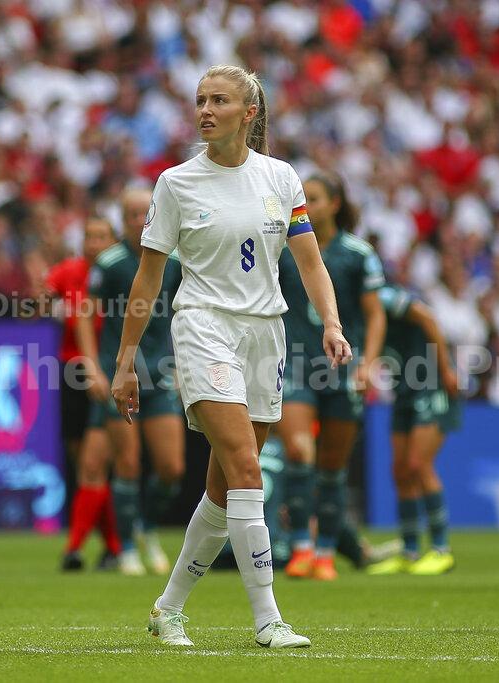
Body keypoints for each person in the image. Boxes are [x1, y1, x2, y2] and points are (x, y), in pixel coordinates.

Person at [111, 65, 351, 649]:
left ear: (250, 113)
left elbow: (310, 262)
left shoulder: (282, 178)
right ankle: (268, 619)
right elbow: (148, 280)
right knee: (247, 469)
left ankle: (167, 608)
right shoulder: (174, 184)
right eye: (199, 100)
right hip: (203, 328)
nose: (205, 110)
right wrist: (125, 360)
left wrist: (332, 323)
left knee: (225, 489)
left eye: (219, 100)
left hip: (266, 334)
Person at [277, 171, 386, 581]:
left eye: (316, 198)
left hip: (342, 368)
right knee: (300, 452)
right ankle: (301, 547)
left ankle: (325, 554)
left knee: (332, 466)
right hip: (295, 365)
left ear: (335, 204)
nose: (308, 205)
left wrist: (370, 363)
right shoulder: (284, 249)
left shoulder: (358, 253)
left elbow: (375, 315)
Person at [78, 190, 186, 577]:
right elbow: (84, 315)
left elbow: (184, 311)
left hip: (160, 374)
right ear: (122, 219)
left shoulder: (173, 260)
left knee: (172, 468)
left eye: (145, 212)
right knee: (127, 463)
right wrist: (91, 366)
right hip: (117, 374)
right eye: (131, 213)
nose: (139, 219)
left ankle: (148, 529)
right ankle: (124, 549)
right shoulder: (109, 263)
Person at [366, 283, 461, 576]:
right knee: (401, 471)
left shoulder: (384, 297)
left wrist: (445, 369)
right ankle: (409, 551)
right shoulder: (351, 311)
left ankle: (441, 550)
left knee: (419, 465)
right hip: (404, 390)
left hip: (431, 384)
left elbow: (428, 318)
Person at [46, 216, 121, 572]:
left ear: (112, 240)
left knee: (94, 463)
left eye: (101, 237)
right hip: (71, 370)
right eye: (90, 237)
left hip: (106, 372)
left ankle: (75, 549)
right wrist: (51, 307)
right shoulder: (68, 271)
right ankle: (113, 546)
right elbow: (37, 302)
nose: (94, 243)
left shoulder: (120, 274)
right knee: (83, 462)